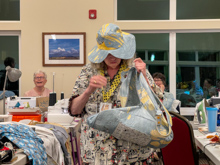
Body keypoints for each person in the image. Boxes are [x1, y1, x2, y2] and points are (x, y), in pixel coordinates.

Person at [68, 23, 164, 165]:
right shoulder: (88, 71)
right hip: (96, 151)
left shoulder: (136, 70)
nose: (112, 57)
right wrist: (88, 91)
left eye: (117, 52)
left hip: (132, 151)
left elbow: (158, 105)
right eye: (107, 53)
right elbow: (74, 110)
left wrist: (144, 77)